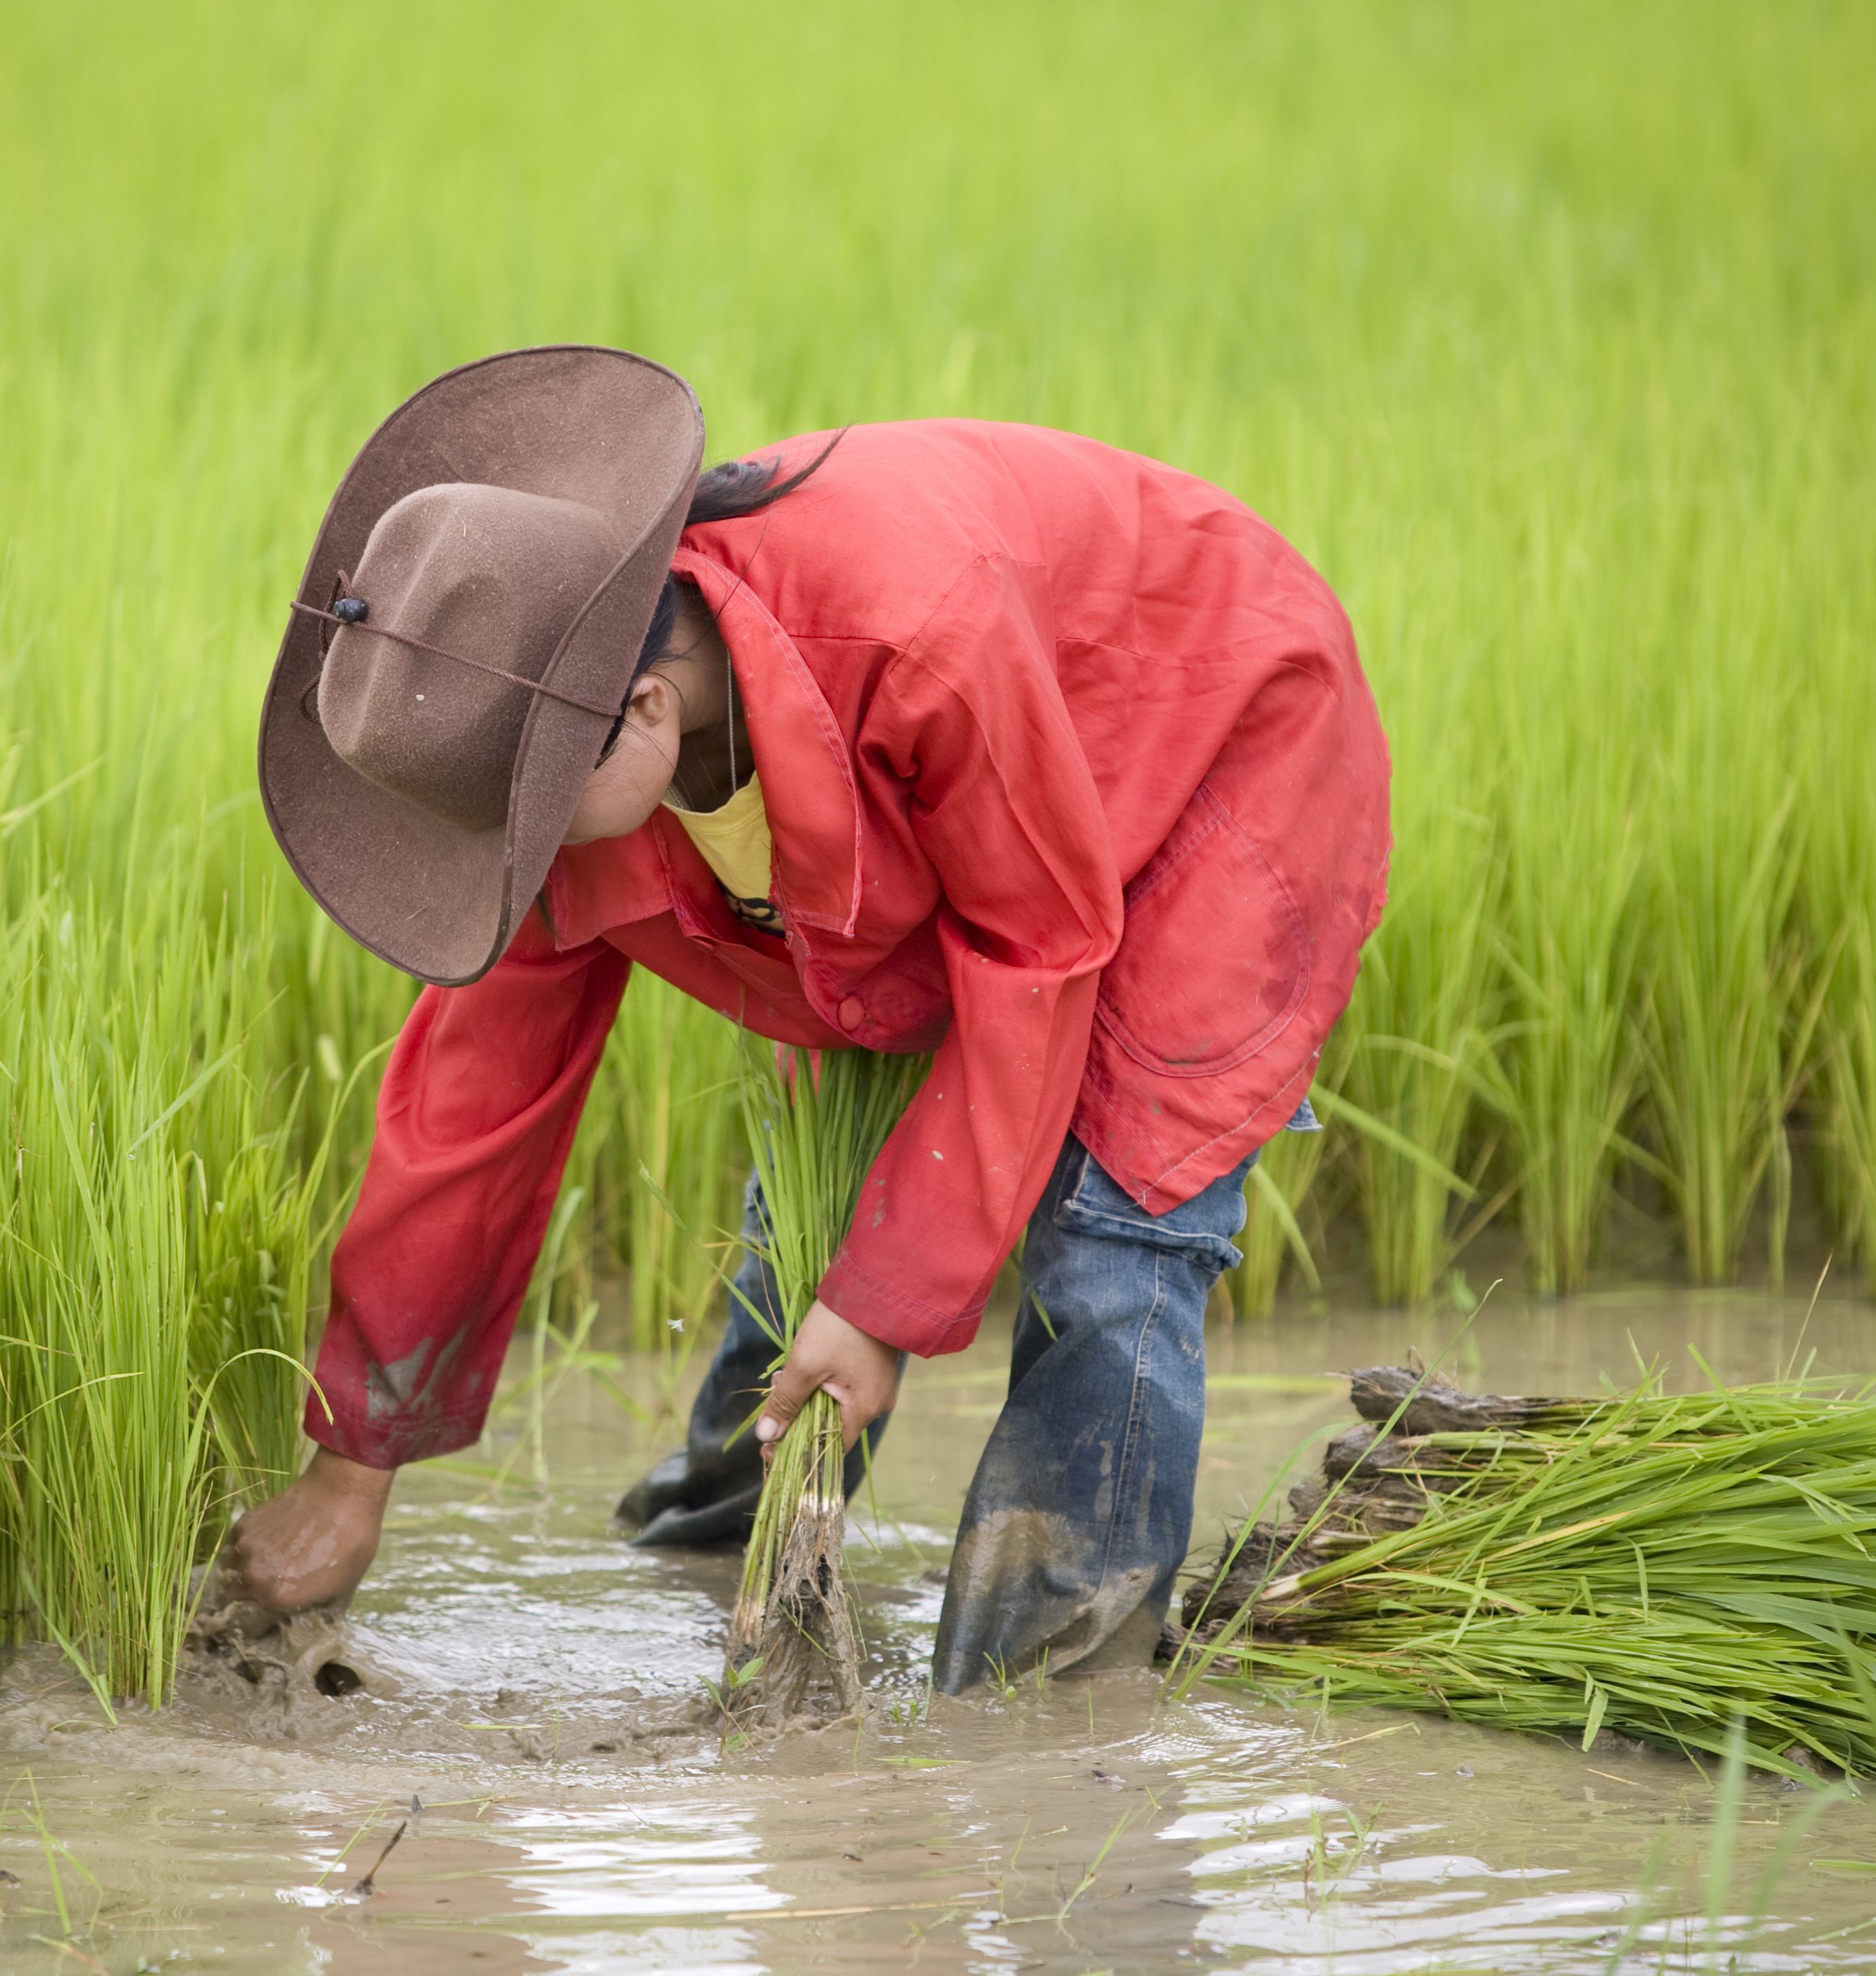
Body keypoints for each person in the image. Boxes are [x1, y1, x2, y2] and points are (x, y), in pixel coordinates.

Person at [223, 345, 1387, 1688]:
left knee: (1116, 1228)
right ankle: (718, 1554)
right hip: (976, 835)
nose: (517, 857)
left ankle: (1051, 1692)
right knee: (820, 1206)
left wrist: (888, 1307)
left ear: (642, 711)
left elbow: (1035, 945)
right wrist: (349, 1466)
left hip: (1201, 734)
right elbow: (471, 1102)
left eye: (530, 817)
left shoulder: (907, 632)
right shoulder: (575, 727)